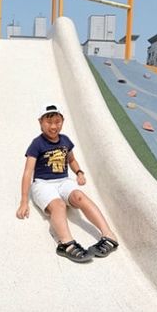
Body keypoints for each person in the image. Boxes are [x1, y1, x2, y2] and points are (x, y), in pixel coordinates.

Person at [18, 104, 120, 263]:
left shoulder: (65, 140)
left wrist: (79, 172)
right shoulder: (37, 144)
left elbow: (71, 159)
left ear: (62, 121)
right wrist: (24, 201)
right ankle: (66, 243)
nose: (53, 126)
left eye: (57, 122)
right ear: (40, 123)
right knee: (58, 205)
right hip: (43, 184)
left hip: (63, 181)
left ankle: (108, 234)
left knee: (80, 196)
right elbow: (28, 172)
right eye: (49, 122)